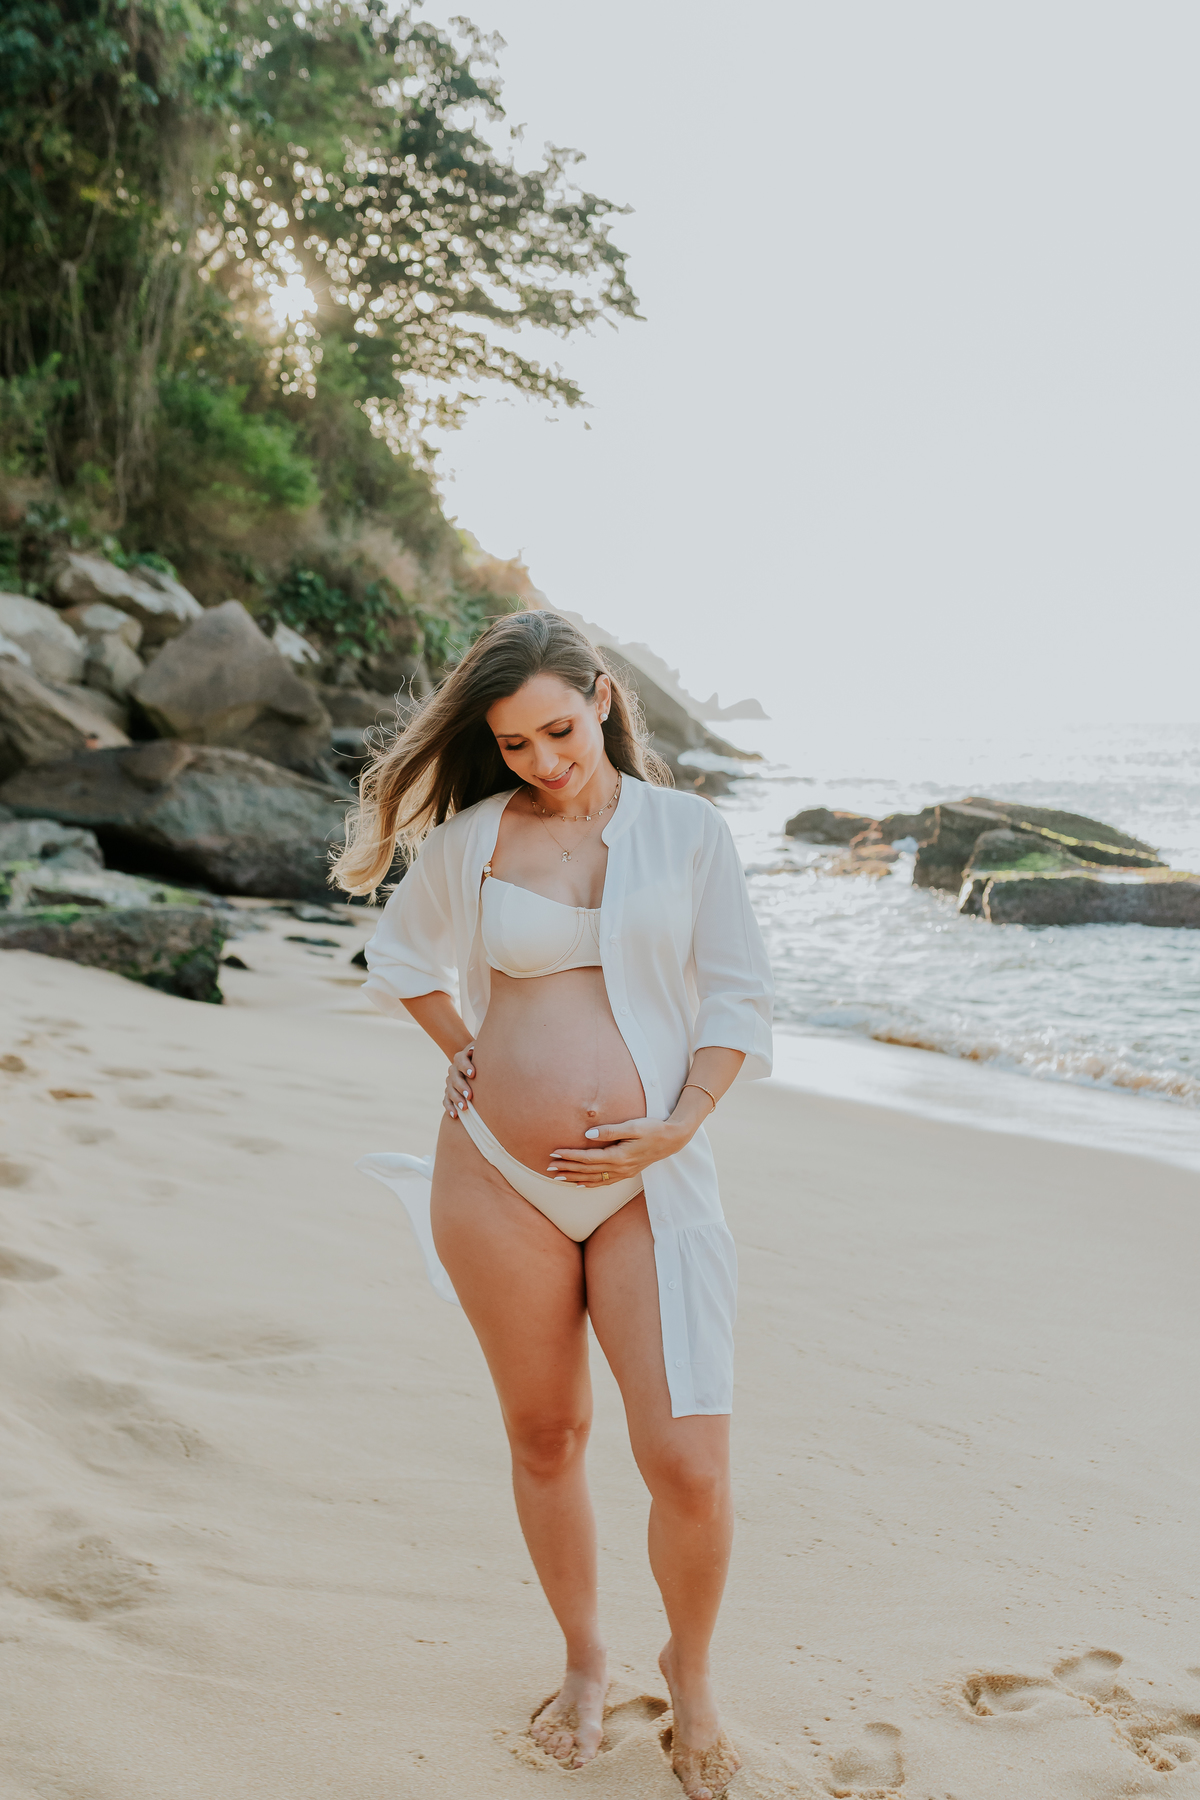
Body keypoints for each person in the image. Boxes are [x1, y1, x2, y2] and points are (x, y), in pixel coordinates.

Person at [333, 609, 773, 1800]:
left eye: (560, 731)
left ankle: (691, 1669)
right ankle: (585, 1661)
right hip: (493, 1176)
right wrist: (462, 1048)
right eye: (517, 745)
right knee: (546, 1437)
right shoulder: (474, 840)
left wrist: (680, 1123)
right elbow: (401, 961)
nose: (545, 760)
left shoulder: (688, 832)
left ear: (605, 699)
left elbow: (738, 1001)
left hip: (652, 1185)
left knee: (686, 1464)